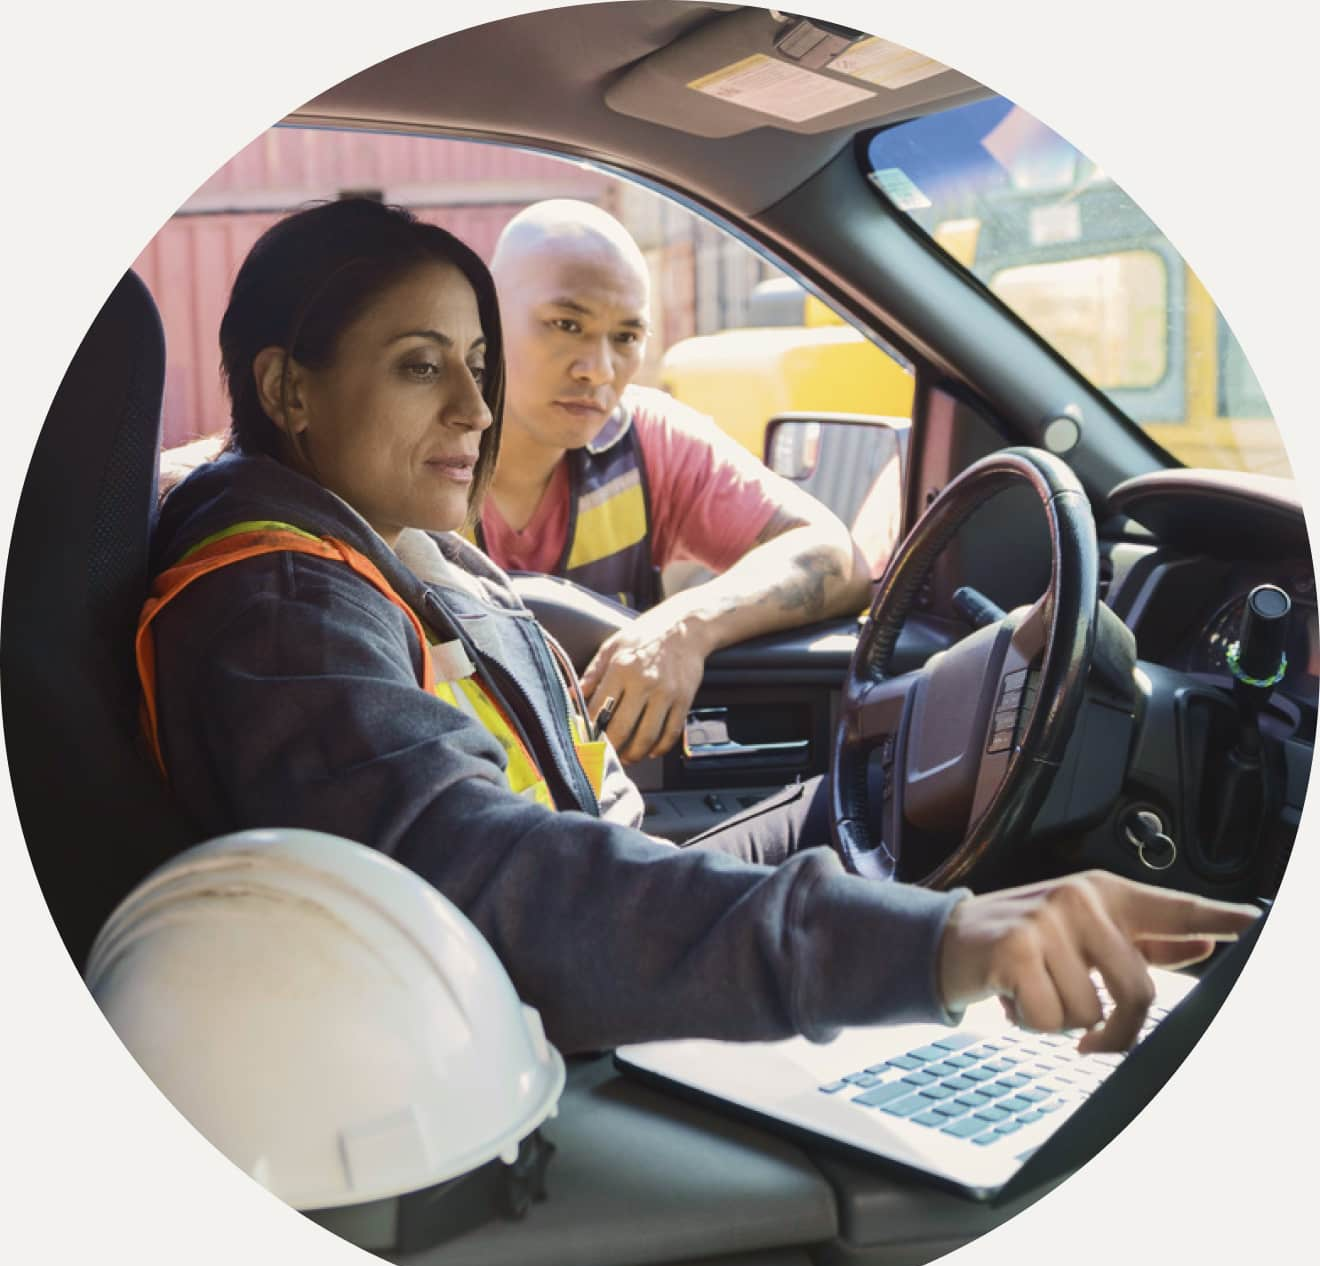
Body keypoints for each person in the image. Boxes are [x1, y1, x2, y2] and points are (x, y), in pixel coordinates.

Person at [139, 198, 1255, 1061]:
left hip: (581, 878)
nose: (475, 412)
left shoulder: (363, 533)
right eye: (422, 367)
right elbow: (486, 886)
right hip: (526, 1020)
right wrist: (942, 944)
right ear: (289, 388)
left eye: (478, 367)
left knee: (870, 802)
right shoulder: (284, 609)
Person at [481, 200, 874, 763]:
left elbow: (835, 559)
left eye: (625, 337)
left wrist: (685, 626)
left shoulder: (648, 438)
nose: (598, 369)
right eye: (565, 324)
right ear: (486, 318)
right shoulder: (411, 450)